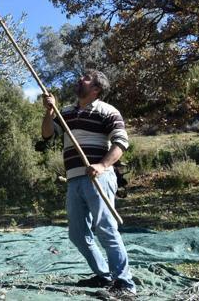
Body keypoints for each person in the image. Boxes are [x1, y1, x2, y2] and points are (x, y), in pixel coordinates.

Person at [41, 69, 136, 297]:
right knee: (77, 233)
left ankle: (125, 284)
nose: (79, 80)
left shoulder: (107, 111)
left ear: (96, 89)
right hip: (74, 179)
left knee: (106, 229)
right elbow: (47, 135)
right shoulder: (66, 114)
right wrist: (49, 112)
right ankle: (104, 276)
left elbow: (122, 142)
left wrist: (102, 166)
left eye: (85, 78)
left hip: (99, 178)